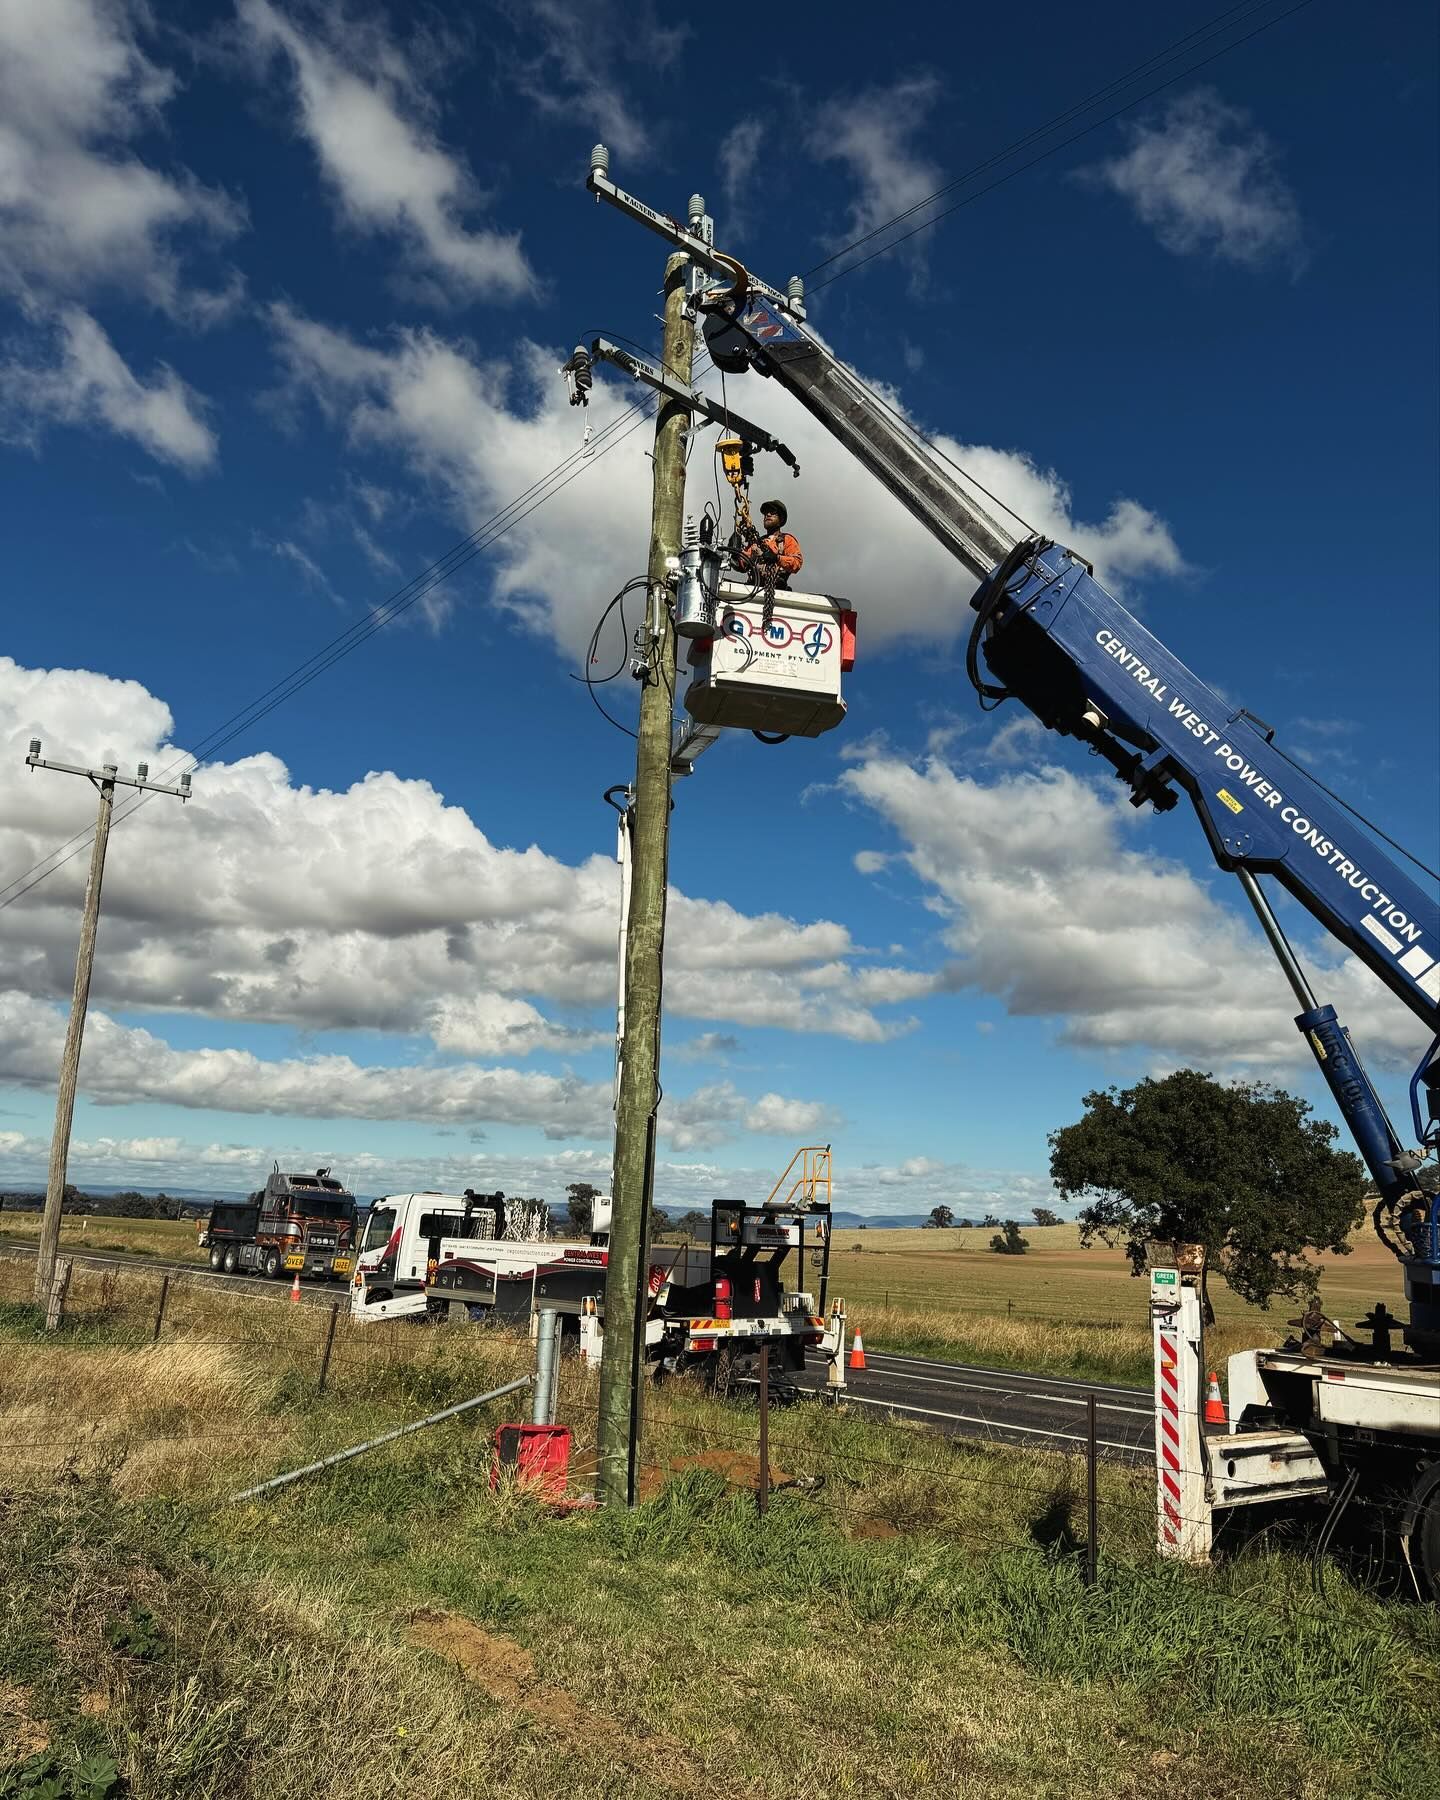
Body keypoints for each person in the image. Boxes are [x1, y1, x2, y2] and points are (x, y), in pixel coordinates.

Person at [735, 499, 803, 589]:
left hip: (777, 589)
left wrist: (776, 558)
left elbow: (796, 563)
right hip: (754, 588)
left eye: (773, 512)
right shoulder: (757, 542)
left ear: (781, 518)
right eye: (766, 513)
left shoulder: (787, 540)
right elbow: (742, 564)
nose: (768, 515)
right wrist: (735, 553)